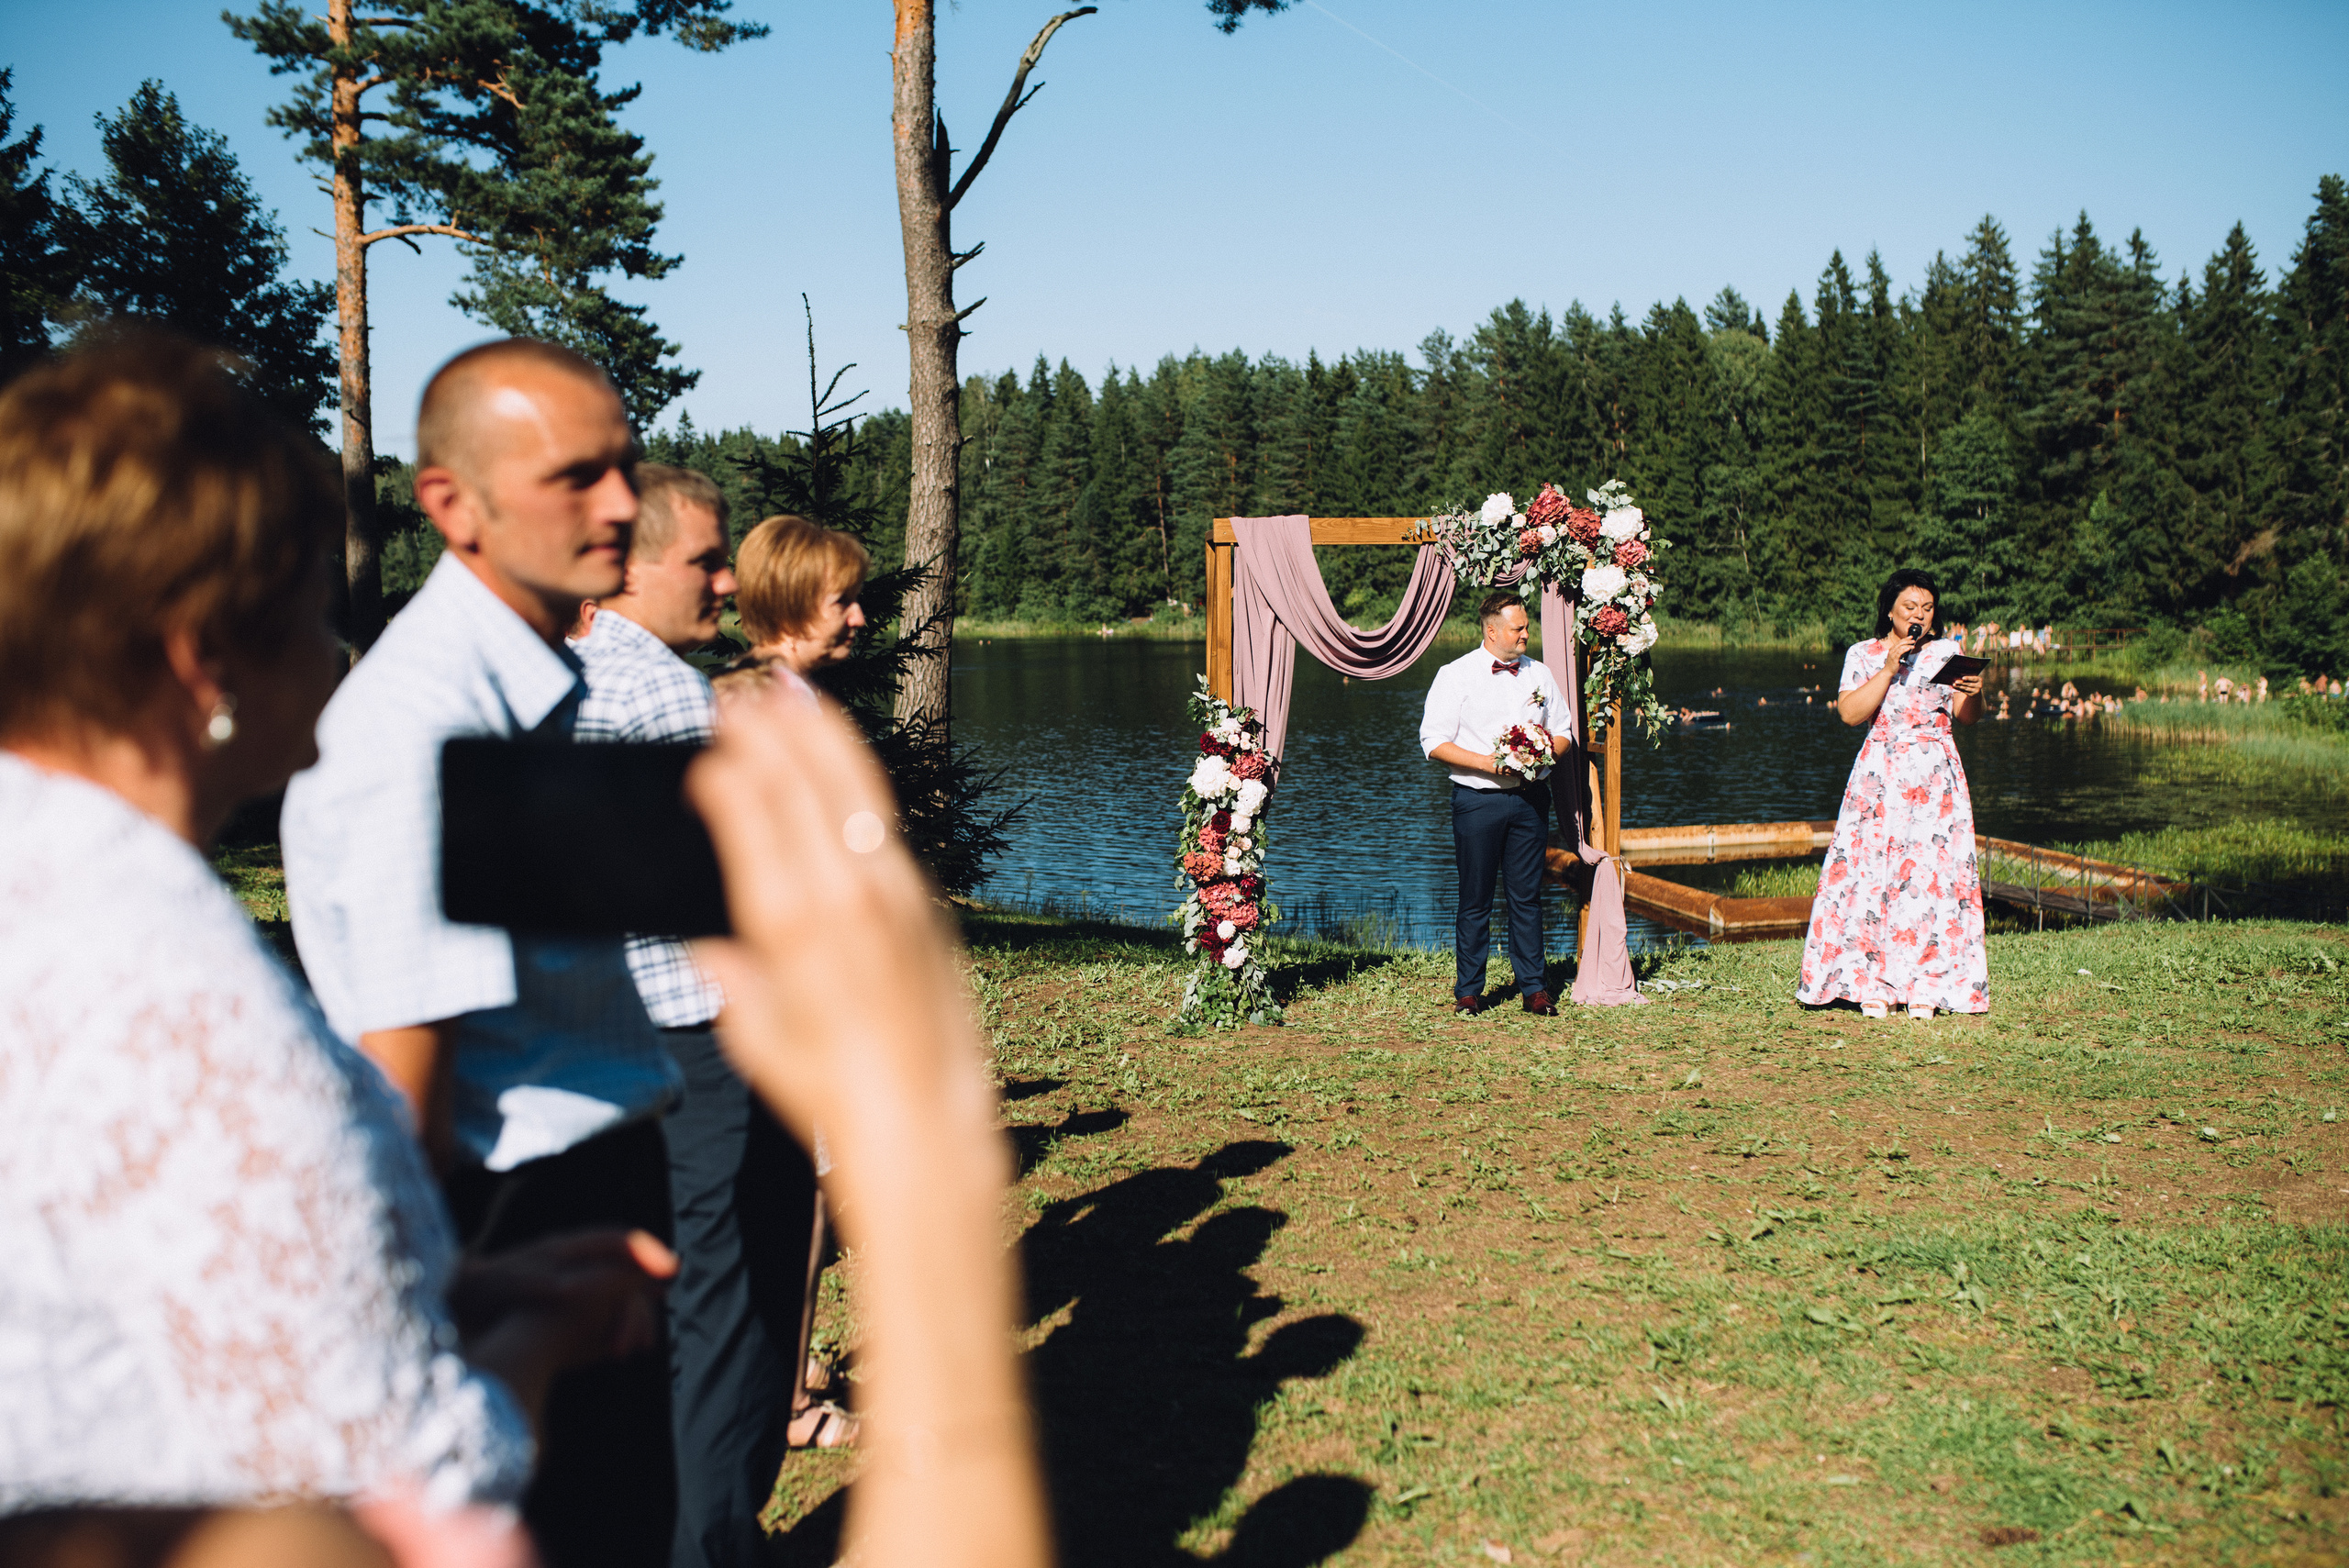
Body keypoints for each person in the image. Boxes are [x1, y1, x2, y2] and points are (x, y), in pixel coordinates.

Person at [0, 333, 673, 1545]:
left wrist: (463, 1284)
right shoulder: (181, 999)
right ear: (206, 659)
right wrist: (546, 1333)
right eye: (315, 608)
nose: (340, 650)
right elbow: (407, 1491)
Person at [280, 339, 684, 1568]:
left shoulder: (534, 688)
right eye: (576, 477)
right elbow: (411, 1064)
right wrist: (442, 1305)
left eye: (624, 467)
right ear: (453, 505)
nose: (621, 505)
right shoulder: (430, 727)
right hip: (510, 1212)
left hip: (576, 1197)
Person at [570, 467, 831, 1564]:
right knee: (728, 1320)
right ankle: (715, 1540)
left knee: (679, 1313)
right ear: (630, 563)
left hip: (627, 1039)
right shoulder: (662, 696)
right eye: (707, 562)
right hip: (703, 1040)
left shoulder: (573, 677)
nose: (728, 581)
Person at [714, 509, 875, 1451]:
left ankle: (789, 1355)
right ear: (786, 604)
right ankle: (783, 1399)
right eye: (842, 599)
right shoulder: (760, 706)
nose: (859, 617)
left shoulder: (786, 697)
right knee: (802, 1194)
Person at [1798, 569, 1989, 1020]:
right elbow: (1849, 713)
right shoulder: (1863, 654)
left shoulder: (1948, 652)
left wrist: (1977, 694)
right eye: (1910, 608)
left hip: (1935, 777)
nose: (1919, 616)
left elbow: (1967, 717)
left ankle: (1929, 983)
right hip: (1880, 776)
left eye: (1927, 608)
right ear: (1890, 612)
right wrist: (1888, 668)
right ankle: (1871, 981)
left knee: (1932, 877)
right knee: (1872, 874)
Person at [1419, 591, 1564, 1017]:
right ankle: (1468, 991)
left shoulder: (1541, 674)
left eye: (1526, 627)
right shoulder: (1455, 674)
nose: (1525, 634)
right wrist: (1487, 763)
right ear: (1491, 630)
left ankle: (1534, 989)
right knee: (1475, 898)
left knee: (1526, 897)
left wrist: (1541, 753)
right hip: (1476, 802)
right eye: (1518, 628)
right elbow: (1433, 741)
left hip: (1531, 799)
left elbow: (1564, 732)